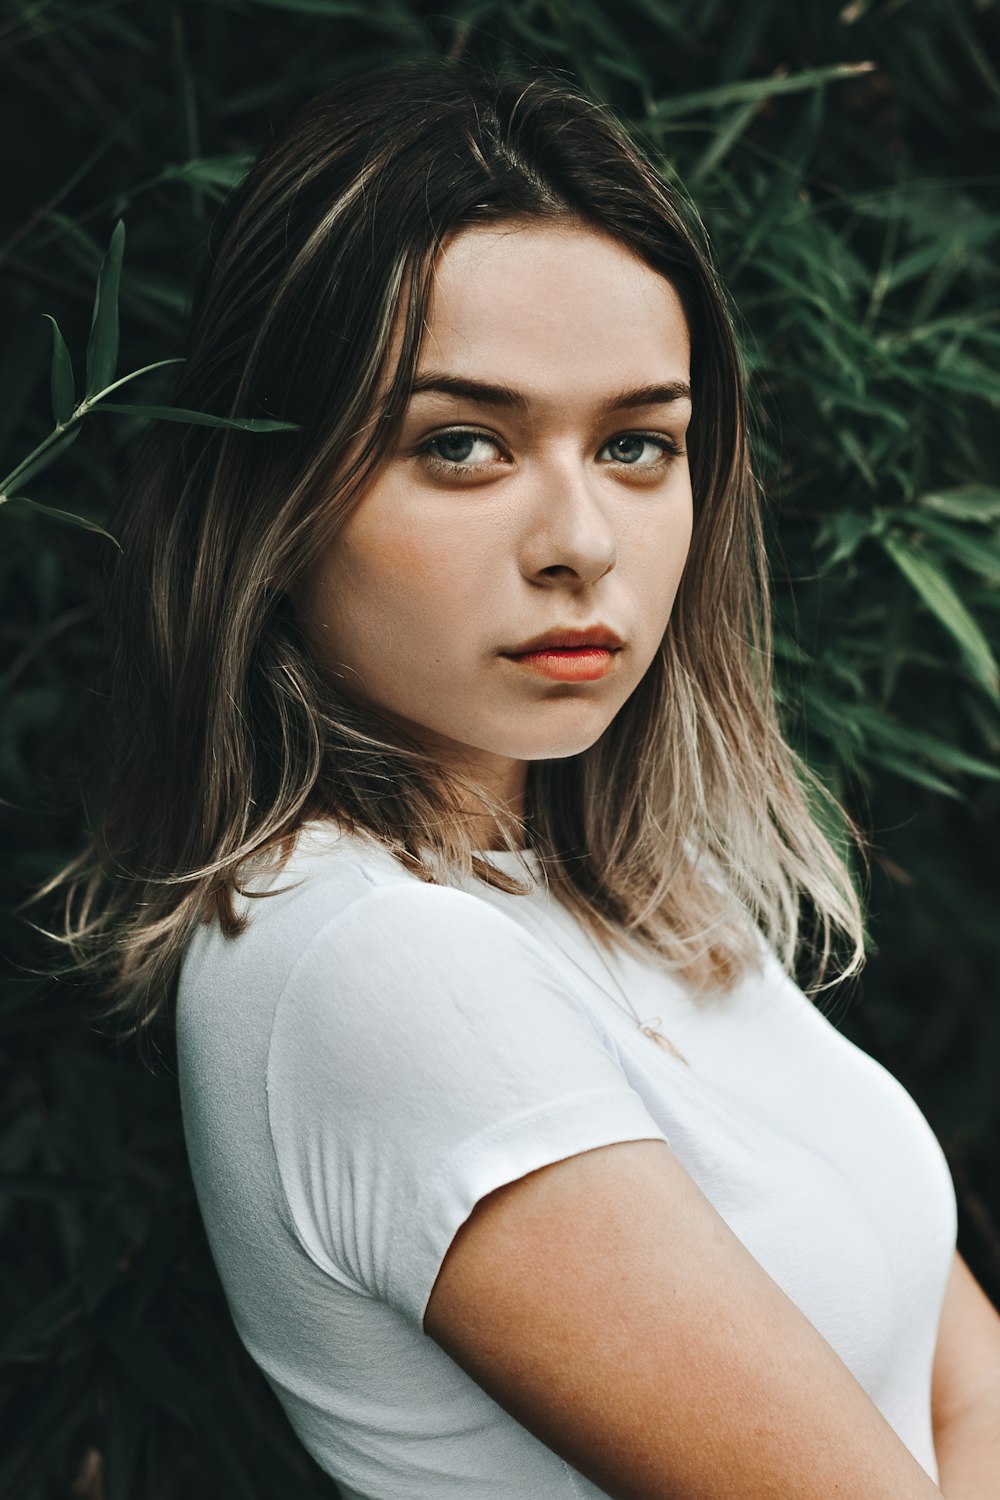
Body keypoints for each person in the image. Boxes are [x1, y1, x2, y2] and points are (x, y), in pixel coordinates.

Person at [53, 60, 1000, 1499]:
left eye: (636, 443)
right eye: (463, 445)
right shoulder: (371, 960)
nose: (583, 541)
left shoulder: (616, 892)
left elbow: (969, 1393)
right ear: (275, 496)